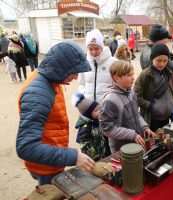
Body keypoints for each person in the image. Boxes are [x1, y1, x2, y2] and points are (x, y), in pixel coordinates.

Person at [16, 41, 96, 186]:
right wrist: (73, 156)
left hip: (53, 159)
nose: (76, 77)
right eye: (75, 71)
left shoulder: (51, 79)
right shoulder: (38, 93)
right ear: (62, 68)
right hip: (46, 166)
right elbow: (26, 147)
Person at [100, 60, 156, 153]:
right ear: (117, 78)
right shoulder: (110, 100)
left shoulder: (131, 92)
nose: (133, 78)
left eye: (132, 75)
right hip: (121, 149)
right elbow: (107, 129)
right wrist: (132, 134)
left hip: (136, 142)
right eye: (129, 75)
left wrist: (144, 127)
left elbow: (136, 115)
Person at [135, 44, 173, 132]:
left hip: (167, 116)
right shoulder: (145, 75)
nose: (162, 64)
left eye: (165, 61)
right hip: (152, 119)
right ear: (152, 58)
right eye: (159, 60)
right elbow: (136, 96)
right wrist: (150, 106)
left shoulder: (169, 73)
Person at [78, 29, 117, 105]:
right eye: (90, 49)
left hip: (107, 108)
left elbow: (119, 84)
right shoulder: (84, 63)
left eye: (96, 48)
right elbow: (81, 84)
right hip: (89, 107)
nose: (93, 52)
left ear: (102, 47)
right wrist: (83, 98)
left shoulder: (114, 62)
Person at [74, 93, 108, 162]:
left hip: (102, 154)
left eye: (98, 109)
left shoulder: (95, 121)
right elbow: (84, 146)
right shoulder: (85, 127)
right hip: (94, 159)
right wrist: (95, 157)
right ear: (88, 114)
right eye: (95, 111)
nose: (99, 111)